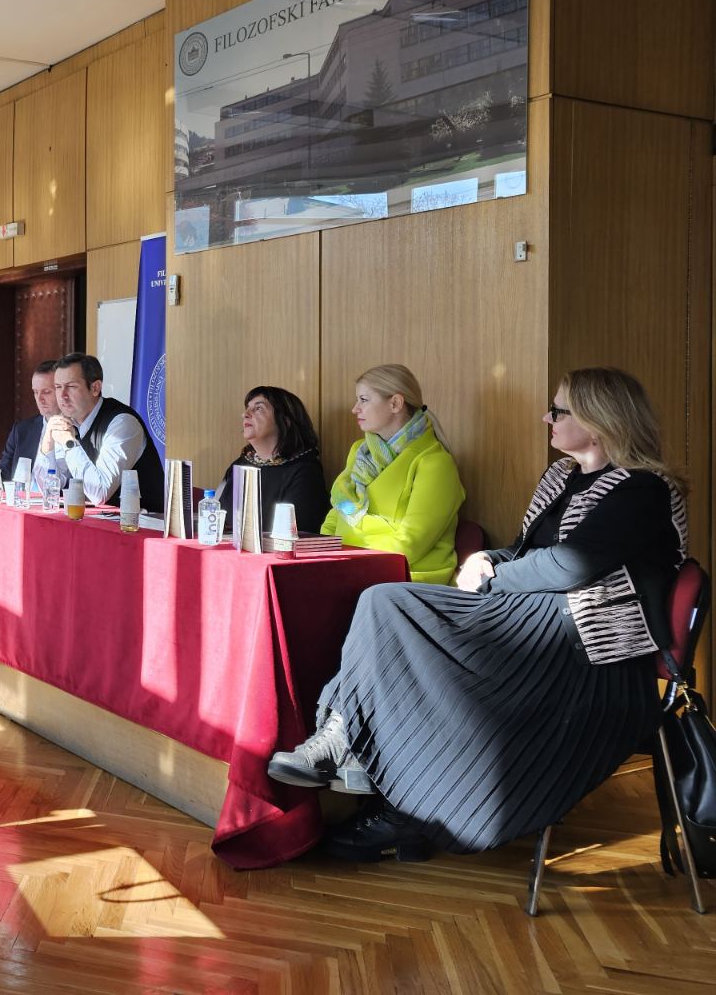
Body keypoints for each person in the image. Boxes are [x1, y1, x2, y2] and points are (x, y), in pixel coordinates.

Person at [269, 368, 687, 864]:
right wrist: (490, 558)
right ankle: (353, 749)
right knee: (382, 603)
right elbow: (530, 550)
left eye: (558, 410)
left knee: (389, 605)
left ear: (598, 421)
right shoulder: (561, 477)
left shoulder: (643, 489)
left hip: (583, 646)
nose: (546, 417)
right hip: (527, 618)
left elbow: (571, 564)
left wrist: (491, 577)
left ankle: (369, 770)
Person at [319, 364, 463, 583]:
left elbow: (409, 545)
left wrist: (345, 563)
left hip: (405, 578)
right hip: (349, 567)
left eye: (364, 400)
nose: (355, 409)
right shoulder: (360, 451)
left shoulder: (435, 463)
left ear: (395, 403)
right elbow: (337, 514)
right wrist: (319, 555)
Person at [46, 352, 164, 512]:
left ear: (95, 388)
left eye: (71, 386)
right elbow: (51, 487)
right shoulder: (69, 422)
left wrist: (69, 443)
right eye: (58, 387)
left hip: (141, 522)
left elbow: (99, 492)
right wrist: (48, 444)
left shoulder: (123, 423)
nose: (62, 396)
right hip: (97, 520)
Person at [219, 386, 328, 535]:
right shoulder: (239, 464)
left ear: (286, 420)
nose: (245, 414)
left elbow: (297, 533)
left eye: (258, 408)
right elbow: (216, 515)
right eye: (247, 408)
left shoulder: (305, 471)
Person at [0, 360, 58, 484]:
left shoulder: (76, 430)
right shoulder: (22, 430)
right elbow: (2, 474)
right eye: (35, 392)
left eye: (46, 392)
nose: (39, 399)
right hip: (21, 495)